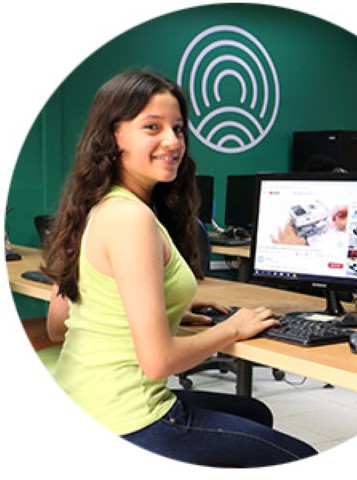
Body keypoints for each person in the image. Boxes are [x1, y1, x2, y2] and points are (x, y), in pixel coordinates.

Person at [41, 70, 317, 468]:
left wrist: (164, 308)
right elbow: (157, 362)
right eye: (151, 127)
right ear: (113, 136)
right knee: (303, 458)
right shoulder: (131, 218)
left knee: (255, 414)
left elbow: (57, 325)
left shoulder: (92, 205)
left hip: (82, 400)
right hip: (129, 418)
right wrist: (233, 329)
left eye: (178, 129)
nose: (172, 142)